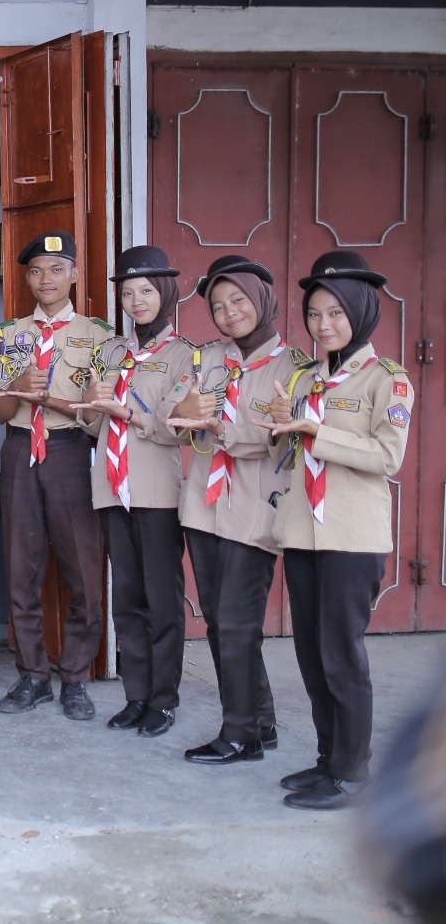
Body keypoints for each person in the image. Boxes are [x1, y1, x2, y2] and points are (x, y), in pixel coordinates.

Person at [258, 251, 413, 809]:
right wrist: (282, 427)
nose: (324, 325)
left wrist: (314, 431)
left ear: (363, 314)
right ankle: (328, 758)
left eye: (336, 314)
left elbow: (386, 456)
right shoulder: (307, 377)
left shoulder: (387, 380)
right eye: (316, 314)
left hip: (352, 536)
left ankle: (353, 771)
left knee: (342, 654)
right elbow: (293, 445)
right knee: (310, 652)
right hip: (303, 531)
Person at [167, 255, 306, 765]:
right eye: (219, 306)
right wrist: (182, 413)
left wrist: (224, 430)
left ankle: (240, 734)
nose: (229, 314)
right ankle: (261, 721)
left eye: (239, 301)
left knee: (237, 621)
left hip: (255, 507)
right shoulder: (206, 359)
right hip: (204, 505)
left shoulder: (294, 369)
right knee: (222, 623)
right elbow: (171, 413)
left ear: (264, 300)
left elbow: (283, 439)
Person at [0, 231, 116, 721]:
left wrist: (72, 405)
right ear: (27, 277)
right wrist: (17, 388)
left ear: (75, 275)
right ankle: (33, 675)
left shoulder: (99, 335)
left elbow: (100, 415)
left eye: (57, 268)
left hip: (68, 452)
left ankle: (77, 677)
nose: (47, 279)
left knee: (83, 569)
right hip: (20, 450)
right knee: (22, 569)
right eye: (37, 270)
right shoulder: (7, 336)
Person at [74, 246, 191, 739]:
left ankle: (163, 700)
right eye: (128, 292)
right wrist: (91, 407)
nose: (137, 300)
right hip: (111, 487)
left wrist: (130, 415)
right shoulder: (111, 352)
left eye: (146, 290)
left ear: (165, 293)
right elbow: (89, 424)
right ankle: (136, 695)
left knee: (161, 599)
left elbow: (177, 428)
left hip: (156, 490)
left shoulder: (187, 355)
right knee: (126, 598)